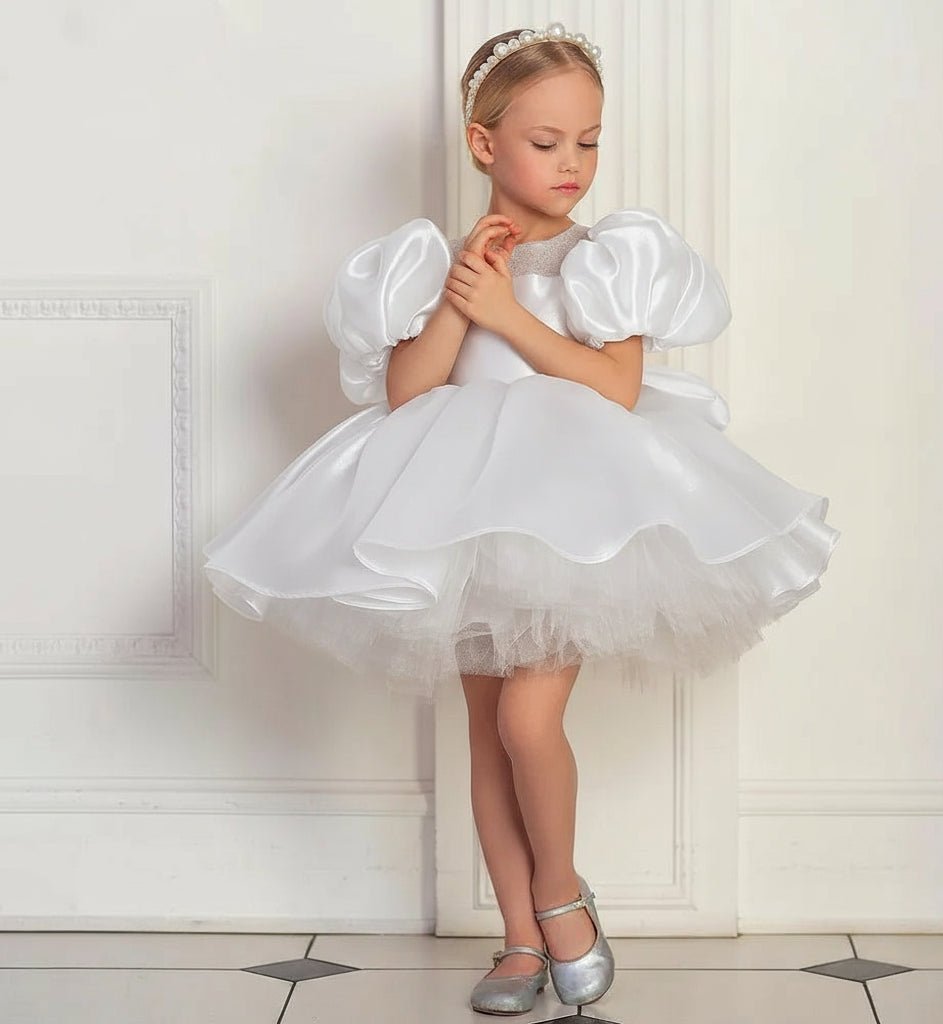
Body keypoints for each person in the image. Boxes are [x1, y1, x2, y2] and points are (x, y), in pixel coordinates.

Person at [202, 21, 840, 1016]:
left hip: (570, 512)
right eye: (547, 142)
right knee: (485, 732)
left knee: (526, 717)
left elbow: (614, 386)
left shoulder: (607, 258)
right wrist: (465, 294)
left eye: (587, 140)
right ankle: (515, 940)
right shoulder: (440, 265)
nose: (572, 164)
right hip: (460, 505)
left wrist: (509, 314)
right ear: (483, 142)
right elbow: (410, 392)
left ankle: (560, 896)